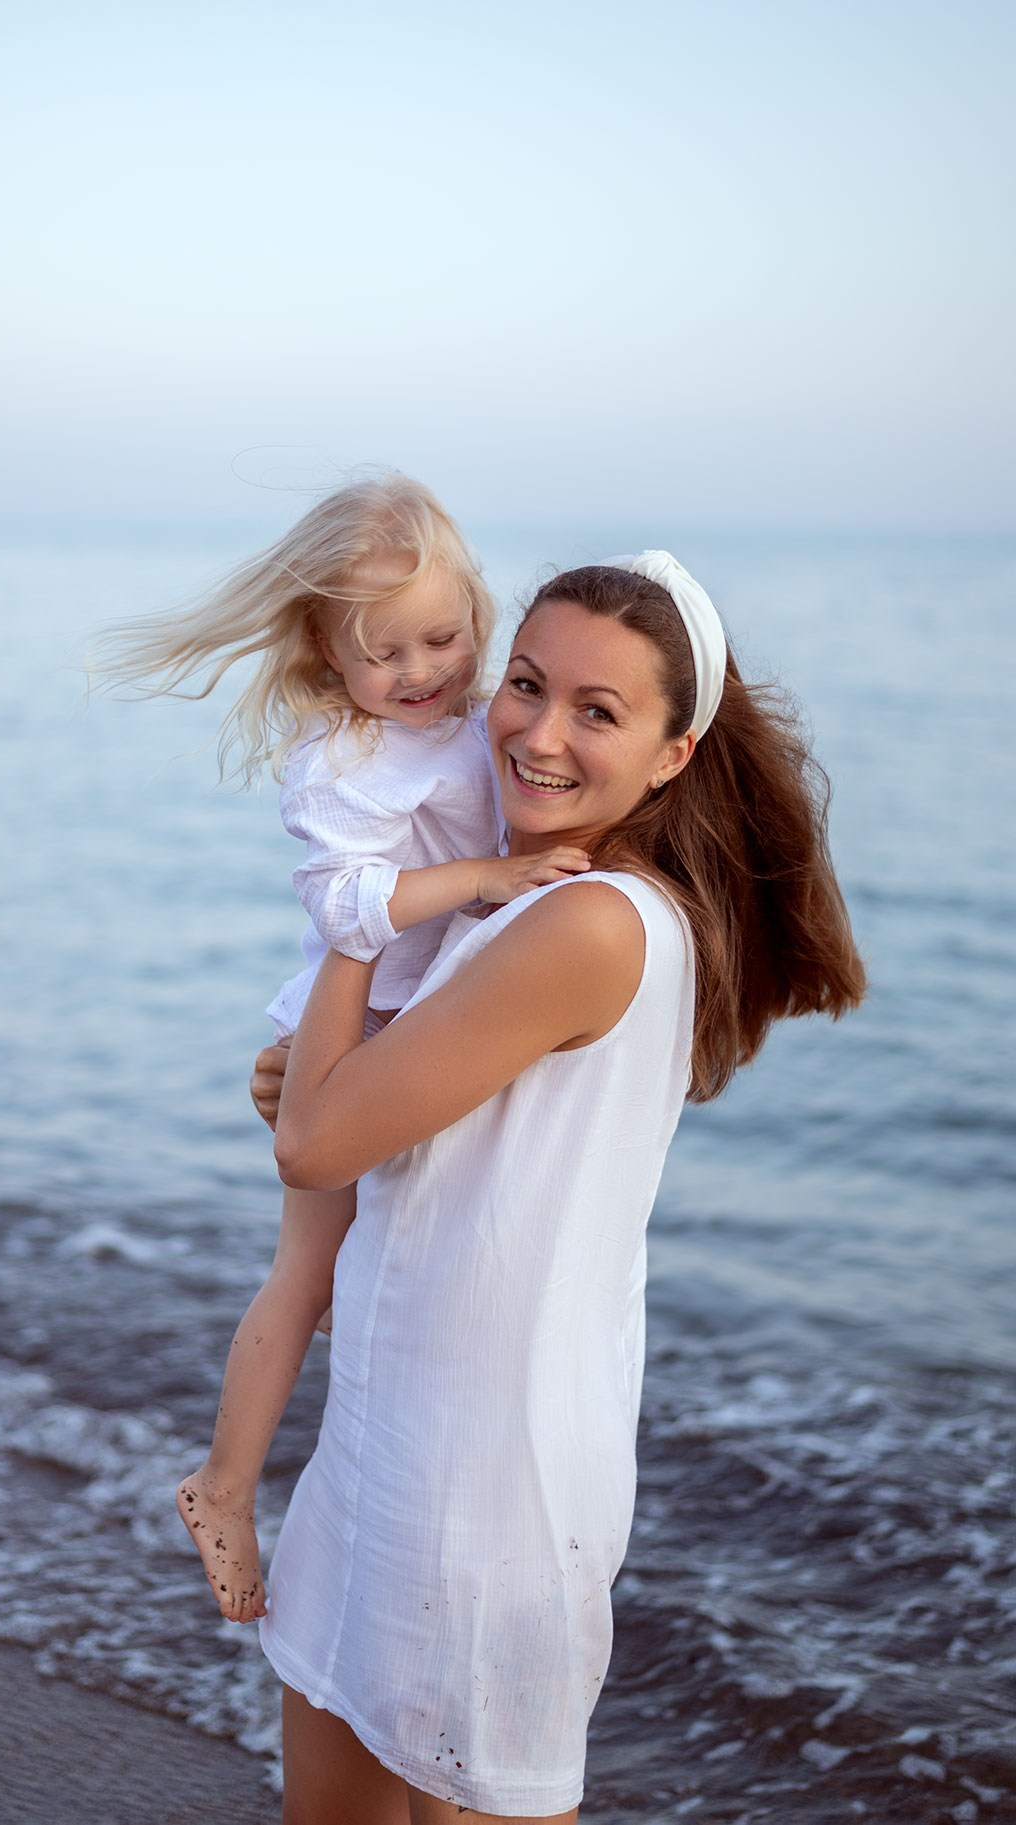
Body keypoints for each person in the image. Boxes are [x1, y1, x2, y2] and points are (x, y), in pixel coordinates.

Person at [249, 552, 867, 1825]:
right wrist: (333, 1071)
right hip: (389, 1421)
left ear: (674, 752)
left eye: (599, 710)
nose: (536, 733)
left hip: (491, 1479)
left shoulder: (588, 922)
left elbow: (313, 1144)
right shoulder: (528, 899)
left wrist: (353, 907)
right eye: (524, 684)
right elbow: (367, 1143)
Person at [94, 475, 591, 1624]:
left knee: (380, 1279)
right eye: (386, 654)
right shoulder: (346, 759)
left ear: (480, 611)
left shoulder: (473, 726)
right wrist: (485, 879)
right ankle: (222, 1484)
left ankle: (355, 1493)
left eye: (445, 636)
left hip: (434, 1023)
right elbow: (342, 906)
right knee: (305, 1271)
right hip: (358, 1027)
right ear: (328, 658)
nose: (422, 669)